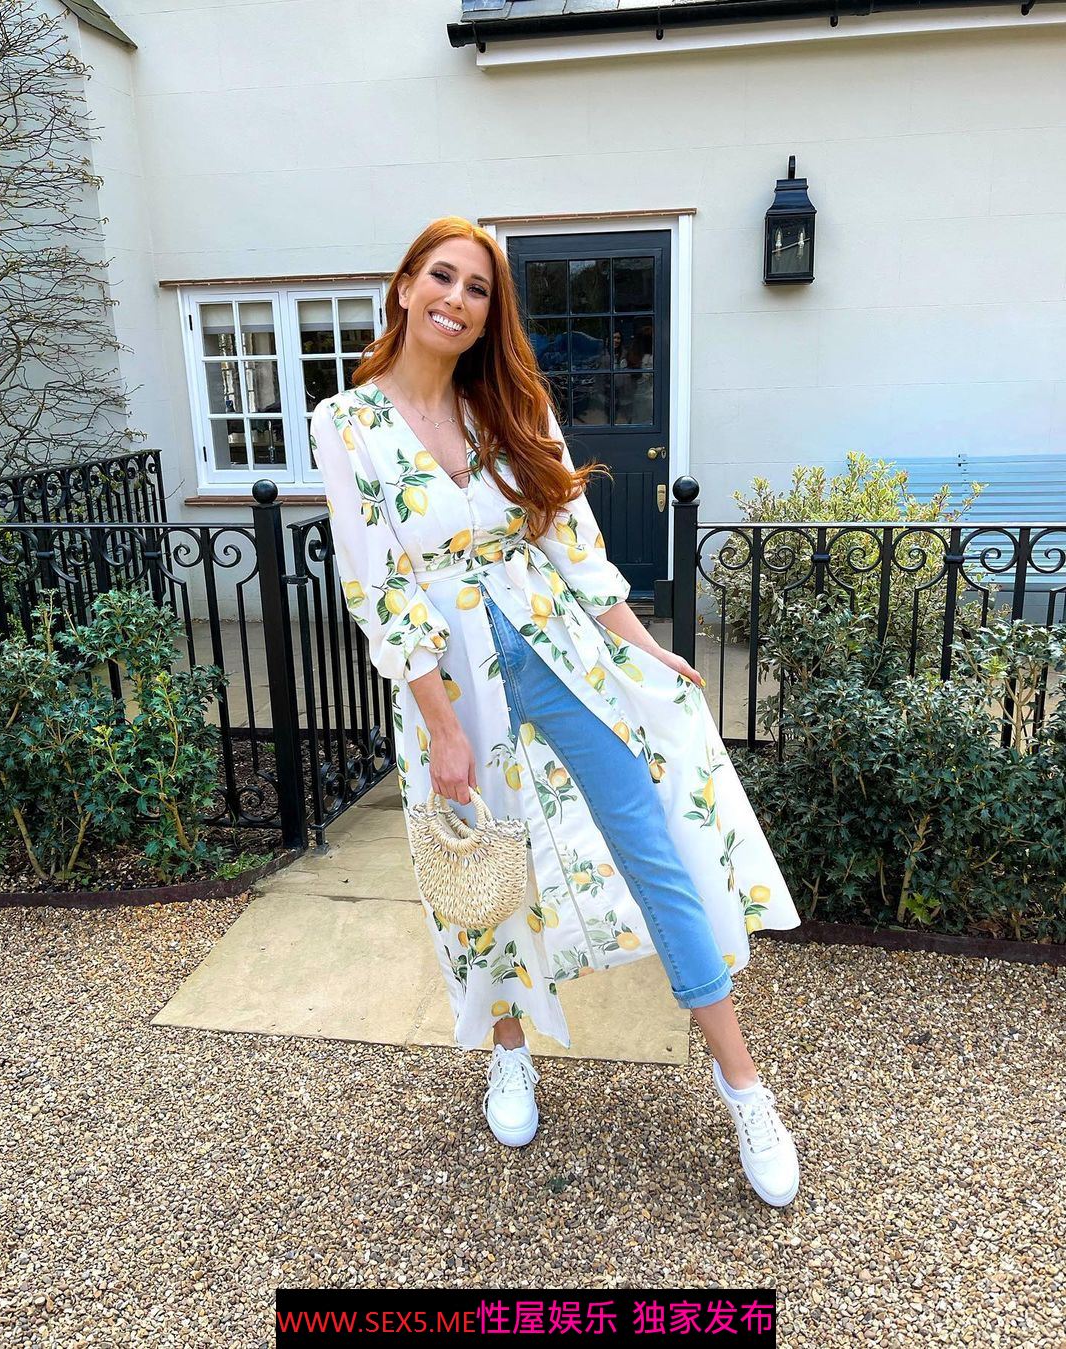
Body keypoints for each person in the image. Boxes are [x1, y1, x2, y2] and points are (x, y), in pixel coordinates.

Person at [309, 216, 802, 1208]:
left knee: (654, 846)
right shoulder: (345, 423)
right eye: (442, 276)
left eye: (478, 288)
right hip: (454, 683)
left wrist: (640, 643)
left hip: (562, 653)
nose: (457, 298)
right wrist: (443, 725)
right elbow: (380, 588)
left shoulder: (508, 402)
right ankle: (508, 1050)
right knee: (484, 877)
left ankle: (743, 1085)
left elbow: (571, 541)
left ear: (489, 312)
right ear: (405, 287)